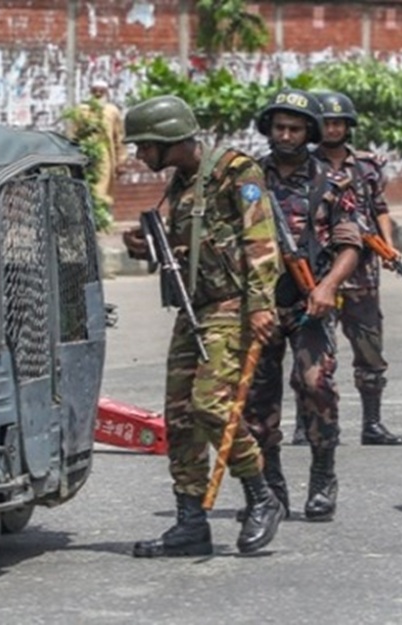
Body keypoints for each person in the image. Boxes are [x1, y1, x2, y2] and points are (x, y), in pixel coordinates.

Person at [120, 95, 284, 557]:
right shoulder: (181, 184)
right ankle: (190, 522)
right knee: (181, 416)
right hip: (194, 310)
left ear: (166, 141)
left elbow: (260, 241)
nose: (138, 156)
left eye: (143, 147)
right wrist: (145, 247)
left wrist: (261, 305)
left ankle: (261, 495)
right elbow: (187, 250)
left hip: (233, 307)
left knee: (210, 404)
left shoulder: (237, 172)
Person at [242, 88, 363, 522]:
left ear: (309, 132)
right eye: (279, 128)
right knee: (257, 402)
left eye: (295, 128)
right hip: (259, 305)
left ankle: (322, 476)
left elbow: (352, 244)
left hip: (309, 302)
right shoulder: (248, 179)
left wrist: (328, 286)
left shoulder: (330, 183)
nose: (286, 135)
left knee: (316, 385)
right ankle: (271, 490)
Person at [303, 90, 402, 446]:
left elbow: (379, 208)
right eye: (326, 122)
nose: (332, 129)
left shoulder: (367, 165)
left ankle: (372, 423)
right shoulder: (304, 164)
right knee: (313, 352)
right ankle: (307, 424)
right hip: (318, 274)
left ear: (349, 126)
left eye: (338, 123)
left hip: (362, 273)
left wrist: (388, 247)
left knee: (370, 351)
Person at [68, 80, 126, 208]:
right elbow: (73, 135)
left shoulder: (112, 111)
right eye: (95, 91)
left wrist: (121, 161)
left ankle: (102, 217)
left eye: (101, 91)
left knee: (103, 189)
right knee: (87, 186)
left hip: (105, 155)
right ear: (91, 92)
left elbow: (119, 137)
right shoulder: (81, 110)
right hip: (85, 154)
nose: (98, 94)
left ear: (106, 93)